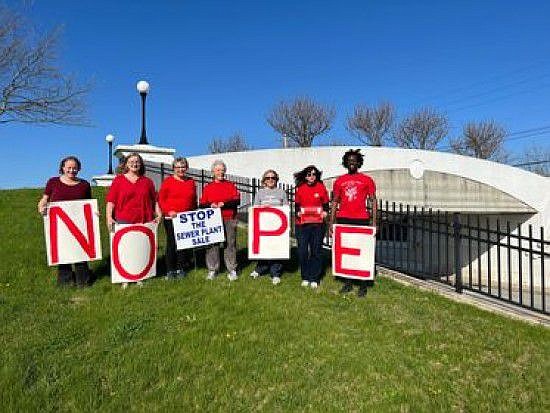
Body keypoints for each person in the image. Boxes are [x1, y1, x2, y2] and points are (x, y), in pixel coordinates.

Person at [106, 152, 161, 288]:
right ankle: (125, 277)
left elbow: (154, 200)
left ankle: (140, 276)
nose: (134, 164)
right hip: (124, 220)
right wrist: (109, 216)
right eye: (131, 161)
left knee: (141, 249)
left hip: (144, 219)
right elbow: (111, 201)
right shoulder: (118, 180)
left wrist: (159, 214)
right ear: (125, 164)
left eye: (137, 162)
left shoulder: (147, 182)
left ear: (141, 164)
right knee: (126, 250)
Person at [37, 156, 93, 287]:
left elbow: (89, 203)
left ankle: (83, 280)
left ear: (78, 168)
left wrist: (94, 213)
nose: (72, 170)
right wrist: (41, 205)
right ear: (63, 168)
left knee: (81, 251)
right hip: (60, 224)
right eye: (69, 168)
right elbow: (45, 198)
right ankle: (65, 281)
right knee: (63, 251)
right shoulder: (53, 182)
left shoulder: (84, 184)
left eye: (75, 168)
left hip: (79, 224)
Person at [329, 149, 377, 297]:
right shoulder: (339, 181)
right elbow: (335, 201)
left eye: (354, 160)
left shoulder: (367, 180)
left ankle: (363, 284)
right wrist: (331, 222)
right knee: (347, 251)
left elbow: (373, 201)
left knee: (362, 251)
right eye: (349, 160)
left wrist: (374, 222)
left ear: (358, 162)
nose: (352, 162)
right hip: (343, 218)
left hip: (361, 218)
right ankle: (348, 282)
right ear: (346, 162)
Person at [199, 160, 240, 281]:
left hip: (229, 218)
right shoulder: (208, 187)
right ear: (213, 172)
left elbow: (236, 201)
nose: (220, 172)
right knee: (212, 245)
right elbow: (202, 204)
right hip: (213, 220)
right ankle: (213, 269)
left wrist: (224, 204)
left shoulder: (231, 185)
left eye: (222, 170)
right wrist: (210, 205)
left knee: (230, 244)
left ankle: (232, 269)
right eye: (218, 170)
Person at [158, 157, 197, 279]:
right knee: (172, 243)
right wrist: (168, 211)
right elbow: (161, 199)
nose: (181, 169)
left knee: (183, 244)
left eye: (183, 166)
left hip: (185, 218)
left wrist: (193, 212)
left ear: (186, 168)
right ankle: (170, 270)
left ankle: (181, 268)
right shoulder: (168, 181)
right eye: (178, 167)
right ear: (173, 168)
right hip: (171, 218)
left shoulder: (191, 182)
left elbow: (194, 199)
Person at [249, 169, 289, 285]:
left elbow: (286, 208)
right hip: (263, 225)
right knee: (264, 248)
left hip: (278, 226)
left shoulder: (281, 192)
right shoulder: (260, 193)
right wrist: (263, 208)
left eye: (273, 178)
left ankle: (275, 273)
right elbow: (255, 207)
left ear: (276, 179)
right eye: (268, 178)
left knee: (276, 249)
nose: (271, 180)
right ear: (264, 181)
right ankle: (260, 268)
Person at [293, 165, 330, 289]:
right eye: (309, 174)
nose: (311, 177)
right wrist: (298, 212)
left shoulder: (321, 188)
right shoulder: (300, 189)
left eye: (314, 174)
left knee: (316, 251)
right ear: (305, 176)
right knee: (302, 251)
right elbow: (297, 206)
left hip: (317, 225)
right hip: (302, 225)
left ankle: (314, 278)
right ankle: (305, 276)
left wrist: (325, 213)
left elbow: (326, 205)